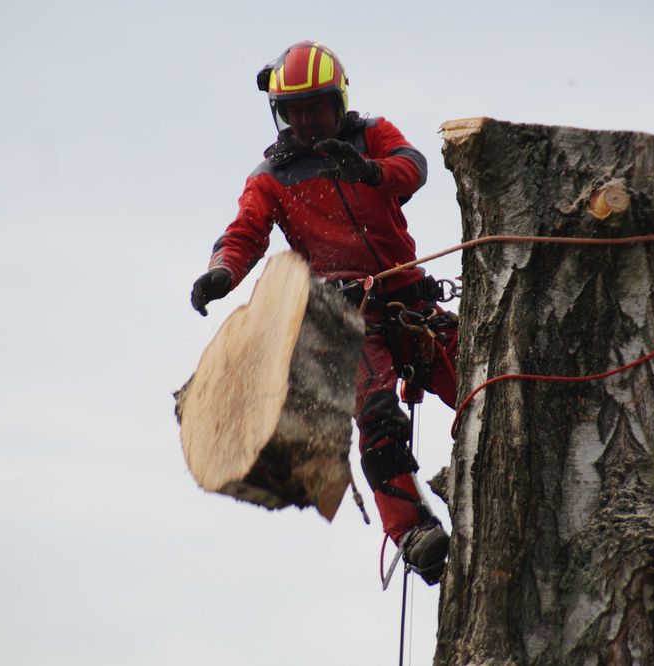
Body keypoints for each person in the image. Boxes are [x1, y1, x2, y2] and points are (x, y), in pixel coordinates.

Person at [190, 41, 458, 584]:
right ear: (281, 115)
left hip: (407, 296)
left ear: (338, 102)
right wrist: (222, 272)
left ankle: (508, 460)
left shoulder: (373, 136)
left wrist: (369, 172)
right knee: (377, 416)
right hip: (346, 314)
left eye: (316, 105)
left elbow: (414, 166)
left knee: (476, 375)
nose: (308, 120)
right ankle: (410, 531)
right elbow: (244, 233)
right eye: (296, 110)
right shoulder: (272, 175)